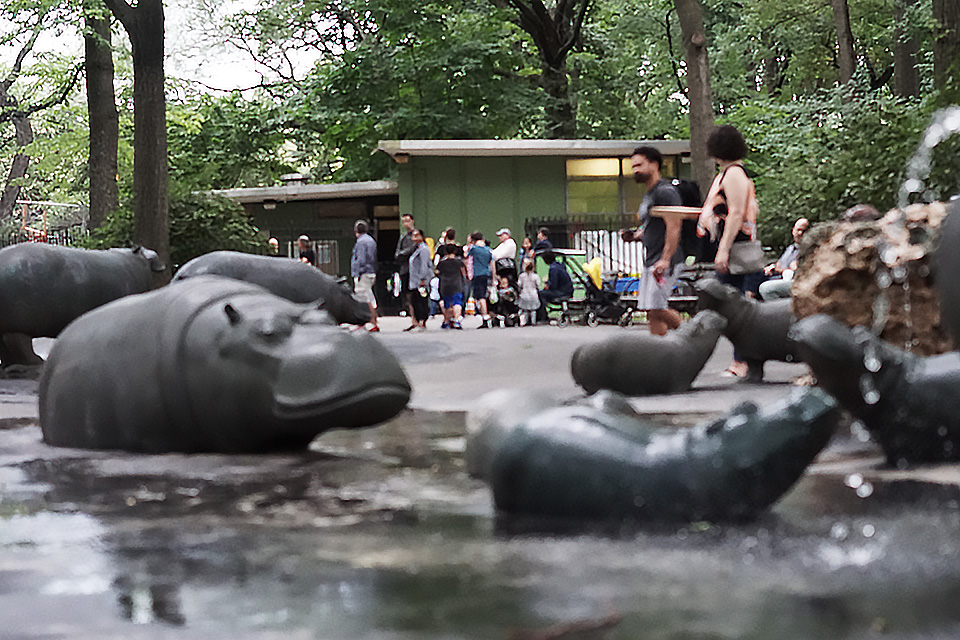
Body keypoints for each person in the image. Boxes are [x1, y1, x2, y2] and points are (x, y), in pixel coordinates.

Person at [697, 124, 763, 377]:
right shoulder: (730, 173)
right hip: (732, 245)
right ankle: (742, 360)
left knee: (732, 306)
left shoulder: (734, 174)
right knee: (731, 304)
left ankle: (742, 360)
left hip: (736, 249)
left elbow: (735, 212)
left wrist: (723, 249)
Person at [621, 146, 684, 336]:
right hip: (651, 257)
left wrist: (665, 259)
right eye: (633, 167)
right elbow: (654, 225)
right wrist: (636, 235)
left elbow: (674, 226)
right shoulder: (650, 194)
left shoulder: (665, 192)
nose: (635, 171)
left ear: (654, 164)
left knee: (656, 307)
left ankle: (694, 335)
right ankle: (660, 353)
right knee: (650, 310)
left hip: (666, 259)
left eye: (639, 165)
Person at [758, 217, 809, 301]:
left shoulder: (809, 249)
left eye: (803, 231)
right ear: (793, 231)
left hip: (796, 281)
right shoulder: (790, 248)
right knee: (754, 273)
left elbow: (797, 269)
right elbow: (779, 265)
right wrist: (773, 267)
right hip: (778, 276)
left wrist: (783, 269)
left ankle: (780, 311)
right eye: (798, 230)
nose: (800, 233)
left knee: (766, 288)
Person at [351, 220, 379, 332]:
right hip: (370, 271)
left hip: (363, 273)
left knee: (364, 297)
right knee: (369, 295)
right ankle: (372, 320)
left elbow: (361, 259)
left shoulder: (361, 242)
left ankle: (370, 321)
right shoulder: (371, 240)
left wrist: (358, 272)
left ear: (355, 230)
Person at [394, 213, 417, 330]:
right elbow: (397, 254)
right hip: (405, 270)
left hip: (415, 271)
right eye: (404, 221)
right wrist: (404, 253)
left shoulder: (416, 235)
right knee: (407, 295)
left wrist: (405, 253)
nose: (406, 224)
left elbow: (416, 249)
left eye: (407, 221)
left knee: (416, 295)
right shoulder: (403, 237)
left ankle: (419, 320)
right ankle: (413, 319)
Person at [467, 231, 494, 328]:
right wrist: (493, 277)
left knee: (481, 297)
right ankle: (485, 316)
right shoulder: (488, 250)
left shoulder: (474, 249)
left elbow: (466, 255)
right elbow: (492, 264)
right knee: (483, 295)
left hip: (477, 274)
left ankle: (485, 317)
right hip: (486, 274)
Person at [436, 244, 467, 329]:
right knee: (457, 302)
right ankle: (456, 320)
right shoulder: (459, 262)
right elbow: (464, 273)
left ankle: (447, 321)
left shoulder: (441, 263)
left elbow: (437, 272)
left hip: (445, 285)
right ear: (455, 251)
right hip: (457, 284)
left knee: (447, 304)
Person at [407, 228, 432, 331]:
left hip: (420, 280)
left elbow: (424, 265)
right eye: (413, 235)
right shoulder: (416, 249)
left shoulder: (424, 249)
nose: (414, 237)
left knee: (421, 301)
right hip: (414, 280)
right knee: (415, 301)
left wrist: (423, 279)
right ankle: (417, 321)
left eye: (417, 235)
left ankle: (422, 321)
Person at [518, 258, 542, 326]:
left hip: (524, 294)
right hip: (533, 294)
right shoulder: (535, 276)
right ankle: (533, 322)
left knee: (525, 310)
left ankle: (525, 321)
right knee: (533, 310)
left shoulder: (522, 276)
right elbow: (538, 285)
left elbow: (519, 285)